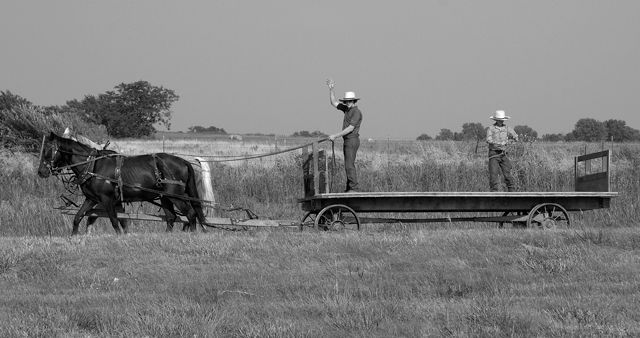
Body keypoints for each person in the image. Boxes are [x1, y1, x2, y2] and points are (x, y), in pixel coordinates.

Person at [326, 78, 363, 193]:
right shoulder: (346, 109)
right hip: (347, 140)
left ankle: (354, 188)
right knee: (348, 164)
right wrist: (331, 89)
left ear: (353, 101)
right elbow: (333, 102)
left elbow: (350, 128)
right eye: (345, 101)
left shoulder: (356, 112)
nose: (346, 103)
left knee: (349, 164)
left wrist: (335, 136)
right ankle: (349, 188)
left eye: (348, 101)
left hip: (352, 140)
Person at [486, 110, 518, 192]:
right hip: (493, 153)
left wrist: (512, 140)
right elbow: (488, 139)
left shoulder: (508, 128)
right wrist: (500, 143)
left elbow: (515, 137)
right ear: (496, 120)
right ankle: (494, 192)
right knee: (493, 174)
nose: (501, 121)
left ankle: (512, 191)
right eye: (500, 119)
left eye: (502, 119)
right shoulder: (491, 128)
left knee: (507, 173)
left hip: (504, 154)